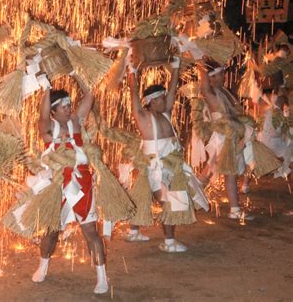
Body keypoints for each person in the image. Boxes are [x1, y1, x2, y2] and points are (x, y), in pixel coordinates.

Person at [31, 86, 109, 294]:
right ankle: (43, 265)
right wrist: (46, 88)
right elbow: (42, 114)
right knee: (51, 232)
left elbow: (91, 94)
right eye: (64, 107)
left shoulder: (75, 122)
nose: (69, 109)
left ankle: (102, 277)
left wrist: (78, 73)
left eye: (69, 105)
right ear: (53, 112)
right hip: (58, 186)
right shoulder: (49, 127)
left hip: (82, 183)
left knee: (91, 231)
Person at [126, 58, 208, 252]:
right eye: (161, 98)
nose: (166, 100)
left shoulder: (165, 114)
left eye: (164, 97)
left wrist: (177, 67)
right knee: (171, 202)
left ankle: (133, 231)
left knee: (160, 200)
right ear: (151, 102)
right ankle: (168, 242)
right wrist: (132, 73)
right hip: (157, 169)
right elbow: (134, 97)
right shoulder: (144, 117)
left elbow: (172, 91)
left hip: (173, 167)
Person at [196, 59, 254, 220]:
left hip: (230, 135)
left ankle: (191, 195)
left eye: (223, 73)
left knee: (211, 168)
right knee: (229, 173)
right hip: (223, 138)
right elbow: (204, 86)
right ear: (211, 78)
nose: (224, 76)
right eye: (220, 74)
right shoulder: (211, 93)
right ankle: (234, 210)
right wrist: (200, 63)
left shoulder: (223, 92)